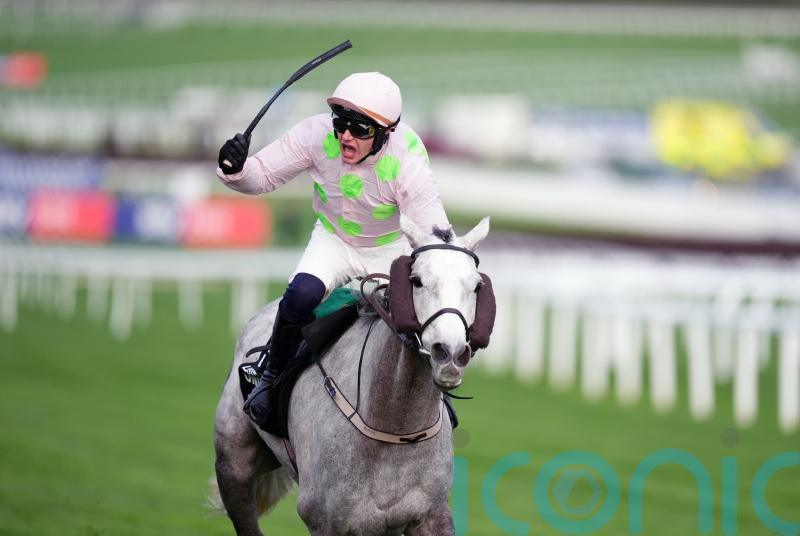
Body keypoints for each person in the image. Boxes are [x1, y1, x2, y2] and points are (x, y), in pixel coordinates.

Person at [216, 72, 450, 430]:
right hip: (333, 240)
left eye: (359, 129)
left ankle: (439, 400)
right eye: (341, 124)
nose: (345, 136)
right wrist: (234, 168)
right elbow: (261, 176)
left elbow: (432, 230)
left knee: (412, 321)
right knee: (300, 296)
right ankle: (270, 378)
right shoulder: (316, 134)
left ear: (385, 133)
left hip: (388, 249)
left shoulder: (408, 157)